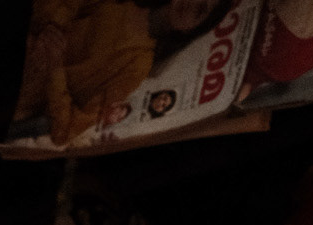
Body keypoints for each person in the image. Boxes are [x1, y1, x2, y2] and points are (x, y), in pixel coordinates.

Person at [12, 0, 233, 148]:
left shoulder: (137, 65)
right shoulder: (124, 4)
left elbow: (65, 130)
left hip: (18, 88)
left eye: (200, 10)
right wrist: (53, 28)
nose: (191, 2)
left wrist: (55, 70)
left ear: (192, 28)